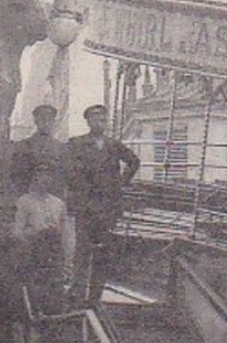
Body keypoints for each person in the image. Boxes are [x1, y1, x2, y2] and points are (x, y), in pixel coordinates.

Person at [65, 104, 140, 305]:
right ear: (88, 121)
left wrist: (120, 183)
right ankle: (77, 293)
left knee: (103, 252)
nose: (100, 123)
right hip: (86, 207)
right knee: (82, 251)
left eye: (103, 119)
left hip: (108, 208)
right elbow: (69, 171)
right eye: (96, 119)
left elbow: (134, 162)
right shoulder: (77, 144)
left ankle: (95, 296)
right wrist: (78, 194)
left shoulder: (113, 145)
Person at [12, 172, 68, 317]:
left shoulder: (58, 203)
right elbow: (18, 230)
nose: (45, 181)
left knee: (53, 281)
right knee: (35, 280)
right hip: (34, 246)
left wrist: (63, 252)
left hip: (53, 247)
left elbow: (63, 230)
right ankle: (36, 309)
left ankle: (53, 310)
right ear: (34, 179)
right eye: (41, 177)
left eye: (48, 177)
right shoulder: (24, 201)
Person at [9, 104, 68, 197]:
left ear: (54, 122)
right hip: (30, 195)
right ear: (36, 121)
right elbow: (17, 175)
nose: (46, 123)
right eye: (42, 120)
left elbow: (63, 175)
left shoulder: (62, 148)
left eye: (49, 120)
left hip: (54, 195)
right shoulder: (23, 146)